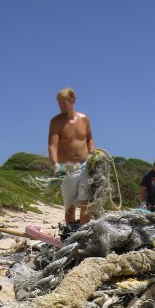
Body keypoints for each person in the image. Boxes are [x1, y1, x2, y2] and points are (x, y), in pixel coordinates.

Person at [48, 87, 95, 226]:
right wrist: (56, 165)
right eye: (59, 103)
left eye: (64, 102)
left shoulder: (84, 119)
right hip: (66, 167)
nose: (61, 106)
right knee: (70, 205)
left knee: (85, 201)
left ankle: (83, 231)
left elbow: (89, 138)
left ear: (72, 101)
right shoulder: (56, 122)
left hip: (85, 164)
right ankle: (70, 232)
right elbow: (52, 146)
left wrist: (93, 154)